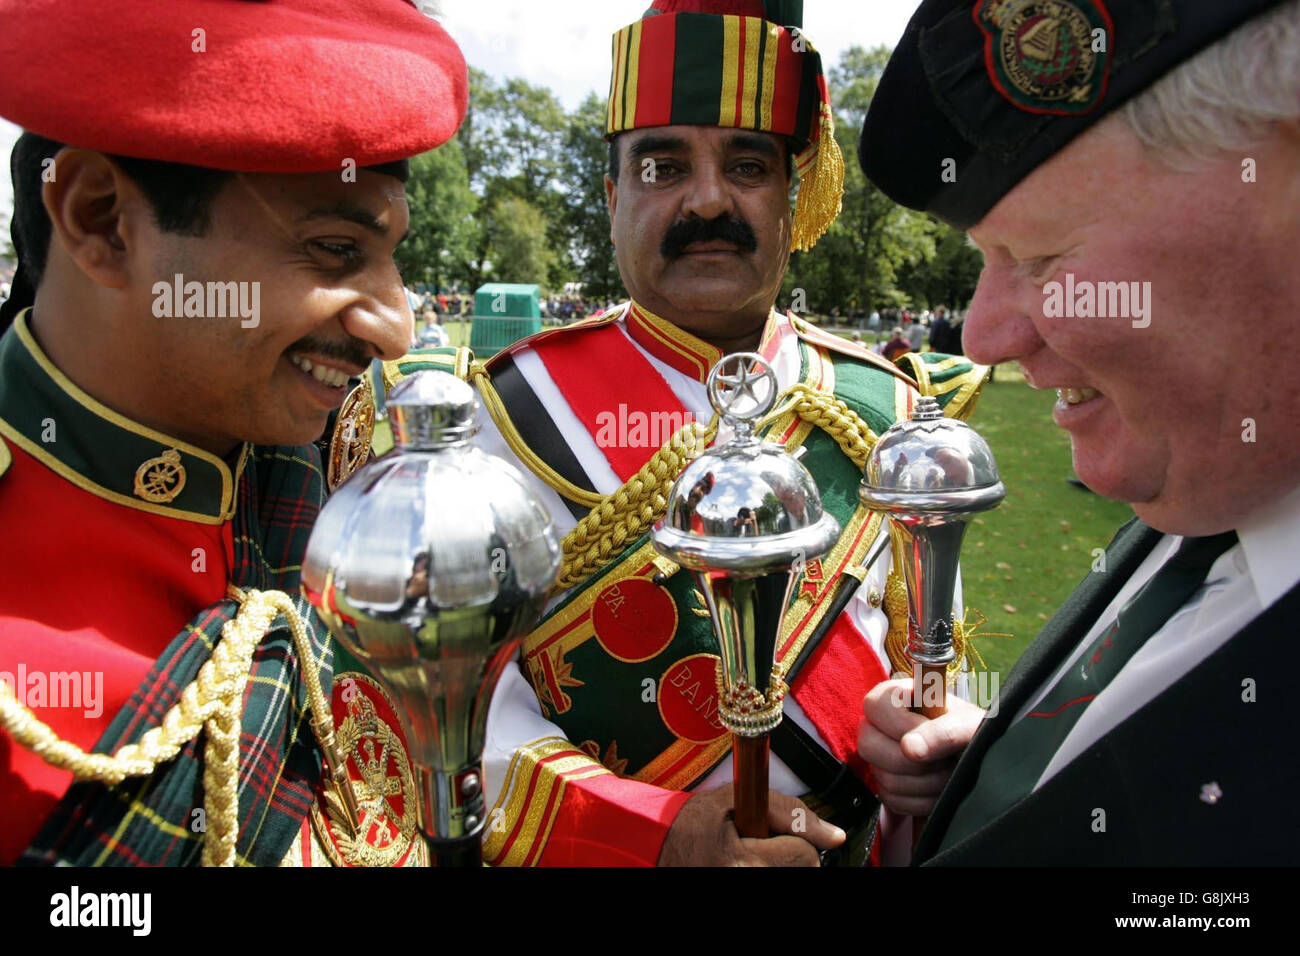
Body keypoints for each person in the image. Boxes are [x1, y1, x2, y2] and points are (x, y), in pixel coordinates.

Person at [351, 0, 986, 867]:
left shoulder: (890, 403)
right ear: (612, 198)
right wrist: (659, 836)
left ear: (794, 199)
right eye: (663, 165)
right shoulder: (498, 417)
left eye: (749, 165)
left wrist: (938, 742)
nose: (710, 199)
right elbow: (457, 710)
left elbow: (935, 654)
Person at [0, 0, 468, 866]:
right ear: (102, 219)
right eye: (334, 249)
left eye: (392, 252)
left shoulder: (318, 471)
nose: (397, 328)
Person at [855, 0, 1300, 864]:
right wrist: (1009, 767)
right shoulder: (1213, 497)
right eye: (989, 260)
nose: (982, 338)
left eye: (1041, 257)